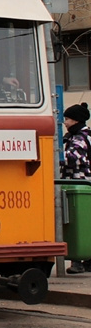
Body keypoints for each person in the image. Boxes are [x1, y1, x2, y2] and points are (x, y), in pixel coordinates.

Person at [61, 102, 91, 274]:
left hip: (78, 182)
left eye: (68, 119)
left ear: (76, 120)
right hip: (81, 184)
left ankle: (77, 261)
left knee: (75, 221)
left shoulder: (80, 137)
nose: (65, 122)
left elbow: (73, 158)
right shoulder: (78, 135)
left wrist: (56, 153)